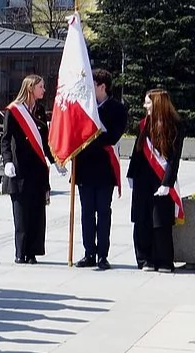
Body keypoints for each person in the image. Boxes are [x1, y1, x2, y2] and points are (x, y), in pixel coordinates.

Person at [2, 75, 64, 264]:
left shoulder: (40, 110)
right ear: (30, 88)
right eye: (41, 87)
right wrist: (7, 161)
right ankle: (20, 252)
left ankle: (32, 252)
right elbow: (5, 139)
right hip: (19, 168)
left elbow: (44, 141)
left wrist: (55, 161)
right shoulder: (14, 110)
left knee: (37, 213)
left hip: (37, 169)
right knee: (21, 213)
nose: (44, 90)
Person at [73, 69, 128, 270]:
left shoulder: (118, 109)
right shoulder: (83, 106)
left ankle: (102, 255)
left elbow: (112, 136)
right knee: (87, 213)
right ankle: (89, 252)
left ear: (102, 86)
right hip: (84, 169)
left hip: (105, 169)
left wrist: (88, 138)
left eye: (92, 84)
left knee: (104, 212)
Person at [127, 89, 184, 272]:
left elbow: (174, 159)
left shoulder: (175, 125)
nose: (145, 106)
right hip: (142, 177)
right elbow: (137, 151)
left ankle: (164, 260)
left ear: (158, 103)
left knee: (160, 220)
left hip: (161, 179)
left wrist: (167, 183)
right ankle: (145, 259)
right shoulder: (144, 124)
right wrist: (131, 174)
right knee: (142, 218)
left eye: (148, 102)